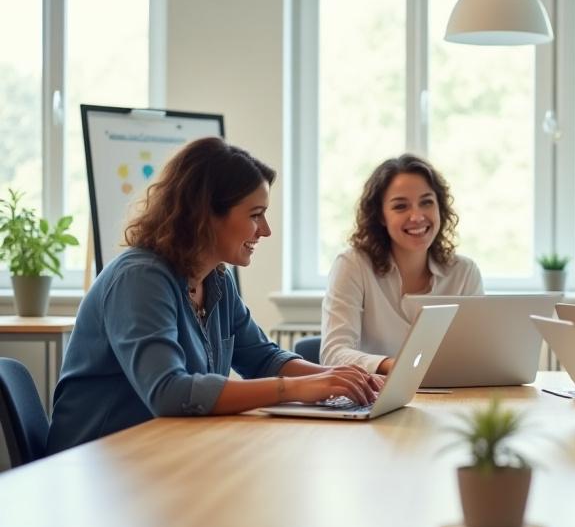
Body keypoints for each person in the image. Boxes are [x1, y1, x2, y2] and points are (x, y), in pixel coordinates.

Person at [47, 137, 381, 454]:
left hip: (163, 452)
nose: (265, 230)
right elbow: (169, 392)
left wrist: (344, 380)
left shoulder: (217, 280)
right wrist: (295, 389)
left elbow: (263, 359)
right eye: (255, 215)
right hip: (96, 464)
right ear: (206, 214)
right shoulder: (140, 278)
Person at [320, 154, 483, 373]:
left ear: (440, 208)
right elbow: (333, 354)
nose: (416, 216)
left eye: (426, 202)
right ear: (380, 216)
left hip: (448, 399)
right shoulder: (353, 265)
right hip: (374, 398)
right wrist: (396, 367)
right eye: (400, 206)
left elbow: (479, 354)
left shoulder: (464, 272)